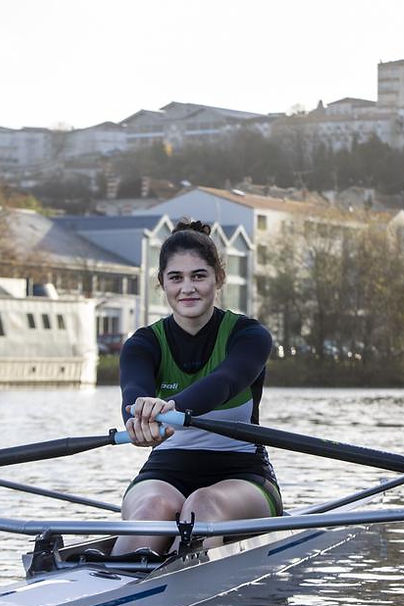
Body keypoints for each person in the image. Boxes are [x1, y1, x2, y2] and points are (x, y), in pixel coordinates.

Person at [111, 218, 281, 556]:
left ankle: (183, 577)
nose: (187, 288)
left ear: (218, 278)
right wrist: (137, 416)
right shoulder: (143, 343)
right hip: (164, 471)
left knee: (202, 505)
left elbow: (224, 382)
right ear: (162, 283)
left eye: (198, 276)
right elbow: (134, 390)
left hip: (242, 473)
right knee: (151, 510)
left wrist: (170, 408)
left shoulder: (249, 336)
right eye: (176, 278)